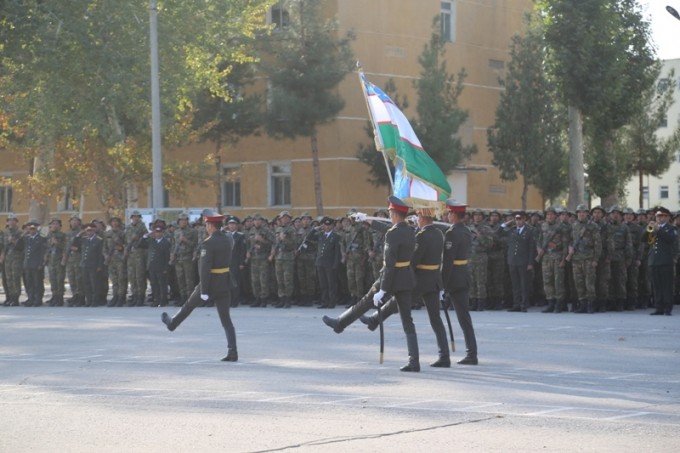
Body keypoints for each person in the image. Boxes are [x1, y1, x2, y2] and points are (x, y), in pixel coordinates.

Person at [323, 196, 419, 372]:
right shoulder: (409, 231)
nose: (389, 214)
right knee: (407, 320)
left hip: (391, 277)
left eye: (390, 212)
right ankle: (414, 361)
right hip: (406, 278)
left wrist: (382, 290)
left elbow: (390, 264)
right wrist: (367, 220)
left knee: (366, 300)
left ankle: (340, 324)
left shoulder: (394, 233)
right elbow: (389, 229)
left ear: (395, 213)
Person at [360, 207, 450, 367]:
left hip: (420, 280)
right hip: (434, 280)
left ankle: (374, 320)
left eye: (418, 216)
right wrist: (371, 221)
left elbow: (413, 259)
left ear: (422, 218)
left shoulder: (421, 236)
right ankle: (444, 356)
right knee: (436, 319)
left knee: (398, 304)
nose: (416, 219)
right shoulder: (438, 234)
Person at [161, 214, 238, 361]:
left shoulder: (208, 243)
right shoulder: (229, 239)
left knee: (189, 305)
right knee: (226, 320)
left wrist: (203, 291)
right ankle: (232, 351)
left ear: (210, 226)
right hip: (224, 283)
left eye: (207, 225)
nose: (206, 228)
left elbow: (204, 269)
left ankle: (172, 324)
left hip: (210, 283)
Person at [441, 201, 479, 365]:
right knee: (465, 317)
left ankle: (471, 354)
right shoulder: (466, 231)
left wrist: (442, 285)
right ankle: (472, 352)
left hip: (454, 278)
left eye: (449, 213)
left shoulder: (452, 233)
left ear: (454, 215)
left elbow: (448, 261)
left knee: (463, 317)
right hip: (463, 275)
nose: (448, 216)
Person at [501, 211, 536, 312]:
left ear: (524, 220)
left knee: (524, 284)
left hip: (524, 262)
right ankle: (516, 304)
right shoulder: (511, 230)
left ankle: (524, 304)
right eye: (516, 219)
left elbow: (531, 248)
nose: (518, 221)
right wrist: (507, 223)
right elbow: (499, 231)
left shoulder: (529, 231)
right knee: (515, 284)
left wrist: (530, 263)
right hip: (512, 261)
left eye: (520, 219)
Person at [644, 206, 676, 316]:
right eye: (658, 216)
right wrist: (648, 228)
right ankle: (659, 307)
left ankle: (667, 308)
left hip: (665, 260)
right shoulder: (653, 227)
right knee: (656, 285)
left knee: (666, 286)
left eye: (662, 216)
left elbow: (670, 239)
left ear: (667, 217)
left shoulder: (671, 228)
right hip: (654, 260)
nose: (659, 218)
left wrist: (659, 230)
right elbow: (643, 239)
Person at [316, 217, 342, 309]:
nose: (326, 227)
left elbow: (337, 252)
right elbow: (310, 236)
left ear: (332, 226)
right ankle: (324, 301)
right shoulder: (320, 235)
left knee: (331, 284)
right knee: (323, 284)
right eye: (325, 225)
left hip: (330, 263)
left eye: (328, 225)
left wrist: (335, 264)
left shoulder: (336, 236)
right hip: (321, 263)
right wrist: (318, 227)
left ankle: (332, 302)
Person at [21, 220, 48, 306]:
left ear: (37, 229)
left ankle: (38, 299)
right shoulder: (26, 238)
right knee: (29, 282)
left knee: (37, 283)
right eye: (30, 228)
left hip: (36, 264)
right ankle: (30, 298)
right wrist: (23, 234)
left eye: (33, 228)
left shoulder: (41, 239)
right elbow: (18, 246)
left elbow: (42, 252)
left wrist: (41, 263)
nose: (31, 230)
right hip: (27, 264)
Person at [142, 226, 171, 307]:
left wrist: (166, 268)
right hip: (152, 266)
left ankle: (163, 300)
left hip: (161, 267)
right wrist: (146, 235)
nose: (158, 234)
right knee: (154, 284)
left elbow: (167, 256)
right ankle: (156, 300)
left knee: (162, 284)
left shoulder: (166, 242)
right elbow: (141, 244)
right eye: (156, 232)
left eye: (159, 232)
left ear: (162, 233)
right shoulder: (152, 241)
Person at [80, 222, 105, 307]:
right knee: (86, 283)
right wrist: (80, 233)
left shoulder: (98, 240)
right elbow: (75, 241)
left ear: (94, 231)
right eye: (87, 231)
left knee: (94, 284)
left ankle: (95, 301)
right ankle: (89, 300)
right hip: (85, 265)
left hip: (94, 265)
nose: (89, 232)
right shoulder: (84, 239)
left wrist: (99, 266)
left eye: (90, 230)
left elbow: (100, 255)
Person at [46, 218, 67, 307]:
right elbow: (46, 247)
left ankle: (60, 297)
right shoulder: (49, 235)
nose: (54, 225)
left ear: (60, 226)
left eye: (56, 224)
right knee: (52, 279)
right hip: (51, 260)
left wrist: (57, 243)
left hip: (59, 259)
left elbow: (66, 247)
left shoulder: (62, 235)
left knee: (59, 279)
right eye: (53, 224)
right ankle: (54, 296)